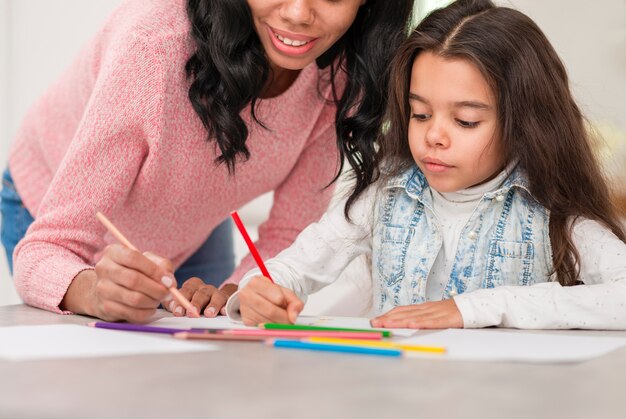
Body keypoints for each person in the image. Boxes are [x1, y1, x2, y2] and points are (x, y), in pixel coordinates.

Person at [0, 0, 415, 323]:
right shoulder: (153, 46)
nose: (297, 14)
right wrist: (91, 291)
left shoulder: (344, 76)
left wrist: (242, 290)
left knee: (207, 364)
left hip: (192, 219)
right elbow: (43, 250)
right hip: (49, 208)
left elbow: (289, 234)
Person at [227, 0, 626, 330]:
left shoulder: (553, 213)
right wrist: (258, 290)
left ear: (523, 123)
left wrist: (472, 308)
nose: (434, 136)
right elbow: (292, 269)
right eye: (419, 114)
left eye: (465, 121)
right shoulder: (381, 198)